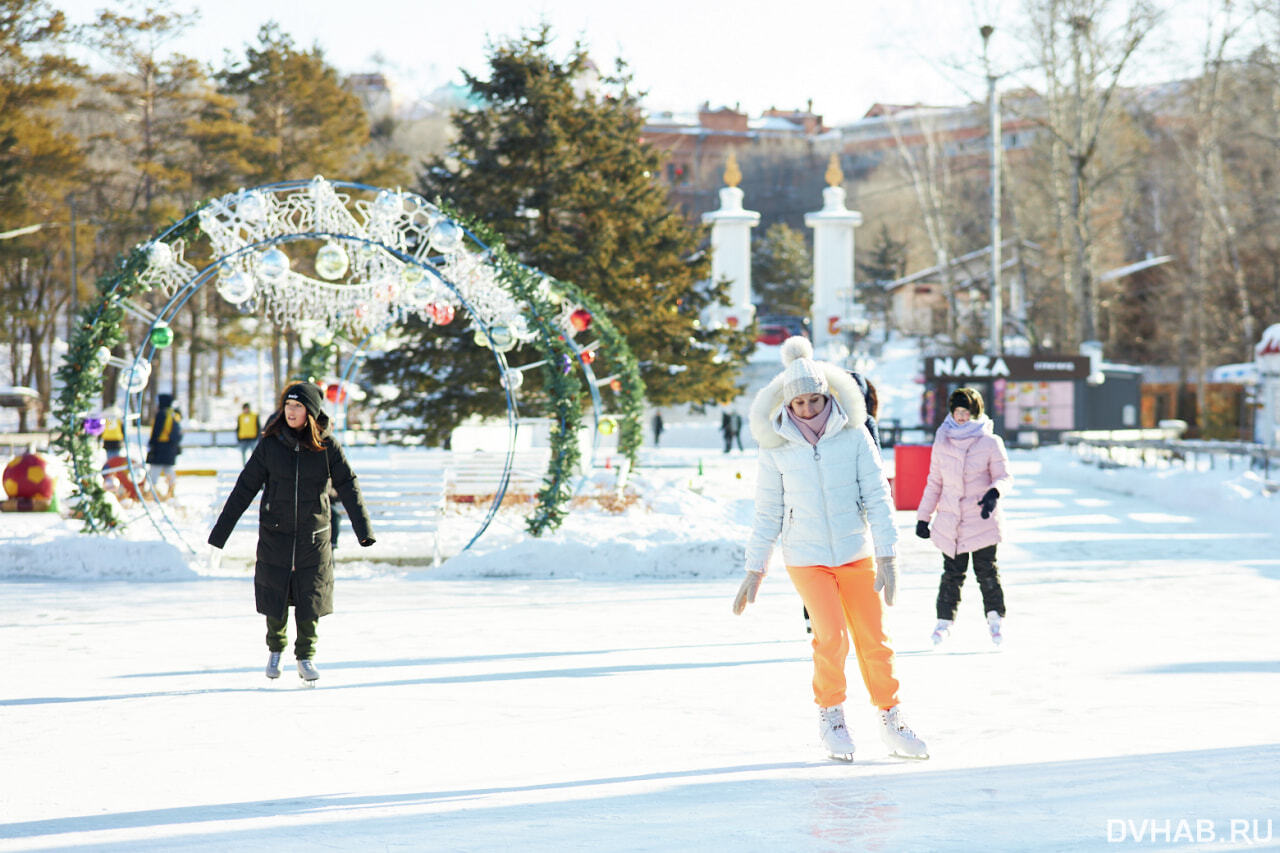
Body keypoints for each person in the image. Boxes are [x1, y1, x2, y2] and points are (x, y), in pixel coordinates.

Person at [732, 336, 928, 761]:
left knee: (875, 639)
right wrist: (755, 568)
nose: (806, 410)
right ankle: (832, 716)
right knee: (831, 637)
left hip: (856, 552)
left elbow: (878, 496)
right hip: (806, 557)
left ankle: (891, 718)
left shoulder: (854, 436)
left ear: (827, 396)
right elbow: (767, 511)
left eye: (814, 400)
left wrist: (888, 555)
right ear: (787, 403)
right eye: (798, 403)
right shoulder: (776, 447)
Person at [208, 382, 375, 685]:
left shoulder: (327, 446)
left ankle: (306, 656)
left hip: (314, 534)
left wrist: (363, 531)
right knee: (277, 593)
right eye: (287, 405)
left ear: (310, 412)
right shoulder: (271, 445)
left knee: (310, 597)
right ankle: (275, 649)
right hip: (276, 532)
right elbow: (245, 487)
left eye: (297, 406)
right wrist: (220, 534)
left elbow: (349, 486)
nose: (291, 411)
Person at [916, 387, 1013, 647]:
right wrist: (923, 517)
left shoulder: (990, 442)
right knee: (951, 575)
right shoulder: (943, 440)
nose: (960, 417)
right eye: (957, 411)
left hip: (981, 517)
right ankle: (943, 623)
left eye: (966, 412)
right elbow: (935, 482)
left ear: (976, 413)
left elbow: (1004, 476)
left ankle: (995, 620)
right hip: (951, 522)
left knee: (987, 573)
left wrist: (994, 493)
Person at [146, 393, 182, 500]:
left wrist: (152, 444)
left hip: (160, 447)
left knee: (155, 470)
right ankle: (171, 490)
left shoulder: (161, 414)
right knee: (169, 469)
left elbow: (156, 431)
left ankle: (151, 492)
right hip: (171, 448)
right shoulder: (174, 414)